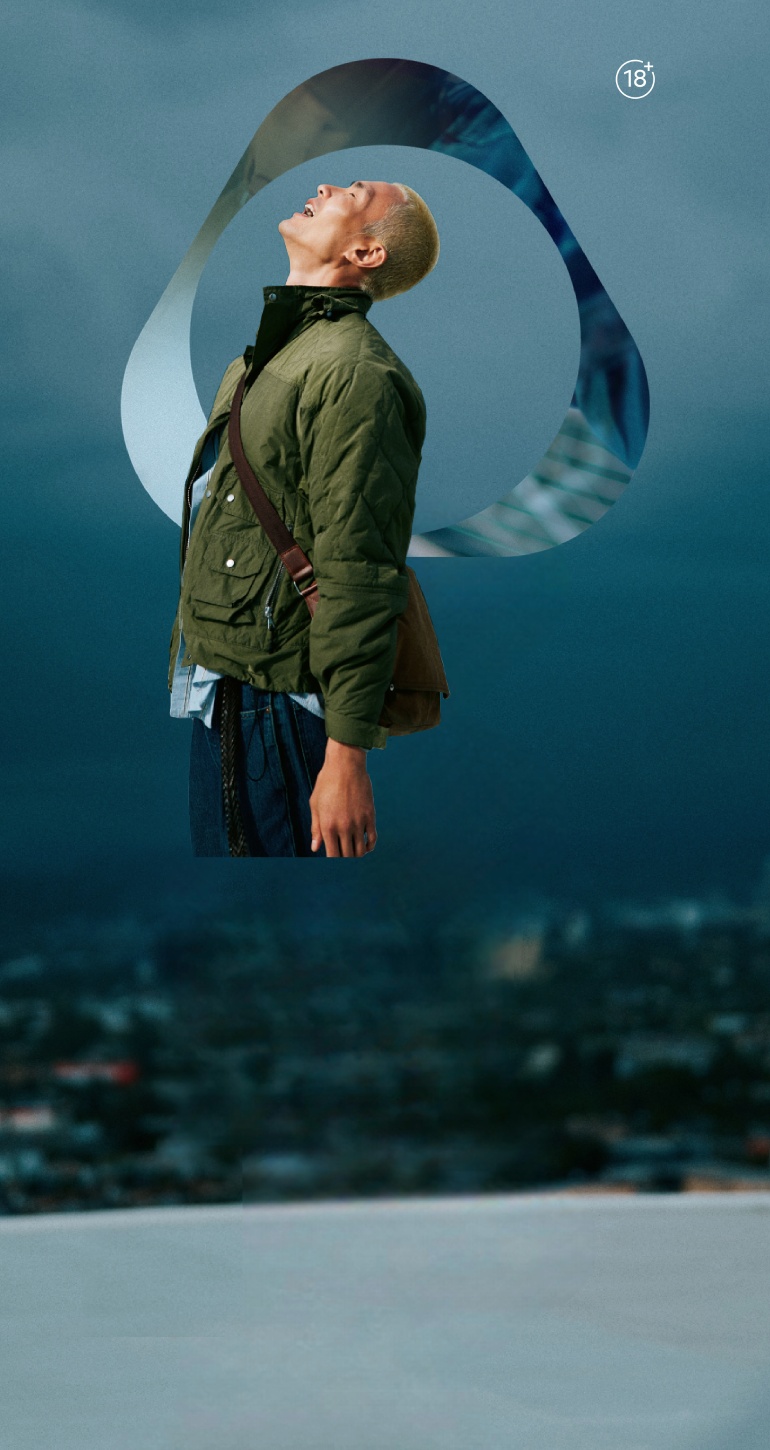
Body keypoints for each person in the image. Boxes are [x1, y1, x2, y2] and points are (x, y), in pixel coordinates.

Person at [168, 179, 439, 859]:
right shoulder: (257, 362)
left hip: (281, 715)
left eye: (355, 191)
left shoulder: (358, 375)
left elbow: (360, 569)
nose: (325, 185)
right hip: (222, 699)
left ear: (366, 252)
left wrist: (345, 758)